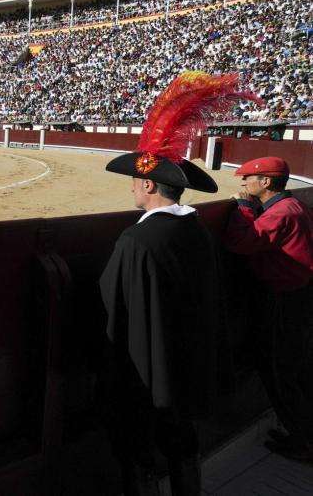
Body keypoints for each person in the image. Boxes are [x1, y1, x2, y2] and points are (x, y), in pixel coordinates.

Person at [97, 71, 247, 496]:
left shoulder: (137, 239)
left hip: (146, 367)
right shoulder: (197, 231)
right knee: (181, 441)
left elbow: (113, 303)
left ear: (146, 184)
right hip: (188, 361)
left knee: (135, 443)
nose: (131, 189)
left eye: (133, 182)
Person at [224, 156, 313, 461]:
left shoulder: (281, 213)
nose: (244, 184)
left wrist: (244, 208)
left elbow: (242, 243)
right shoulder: (295, 207)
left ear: (265, 182)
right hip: (298, 296)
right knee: (296, 370)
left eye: (249, 178)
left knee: (280, 373)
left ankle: (305, 443)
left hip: (283, 301)